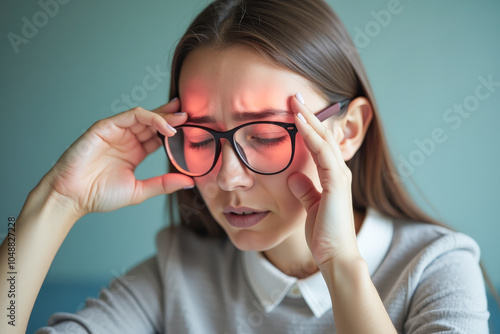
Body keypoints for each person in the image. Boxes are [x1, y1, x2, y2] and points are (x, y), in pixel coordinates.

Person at [0, 0, 491, 333]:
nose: (228, 179)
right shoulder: (180, 276)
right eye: (198, 137)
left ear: (347, 131)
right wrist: (57, 202)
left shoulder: (435, 269)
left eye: (265, 135)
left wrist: (340, 265)